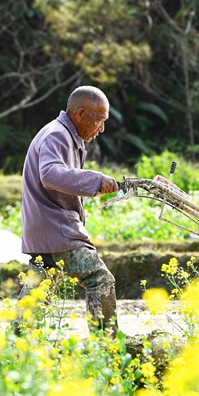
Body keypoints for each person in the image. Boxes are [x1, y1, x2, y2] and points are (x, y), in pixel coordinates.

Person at [17, 85, 121, 335]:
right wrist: (95, 180)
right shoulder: (58, 135)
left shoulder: (61, 134)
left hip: (44, 229)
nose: (102, 129)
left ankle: (18, 344)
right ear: (81, 114)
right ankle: (106, 344)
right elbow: (50, 174)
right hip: (56, 230)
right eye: (100, 121)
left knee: (40, 289)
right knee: (99, 279)